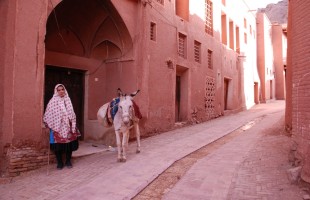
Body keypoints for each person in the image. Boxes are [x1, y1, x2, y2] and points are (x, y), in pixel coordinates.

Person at [43, 84, 80, 169]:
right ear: (56, 91)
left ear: (64, 90)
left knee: (69, 144)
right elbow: (49, 113)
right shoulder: (53, 101)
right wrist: (50, 121)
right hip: (57, 125)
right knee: (57, 145)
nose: (61, 91)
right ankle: (59, 162)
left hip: (68, 125)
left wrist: (70, 119)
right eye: (59, 90)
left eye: (62, 89)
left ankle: (68, 161)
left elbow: (71, 112)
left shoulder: (68, 99)